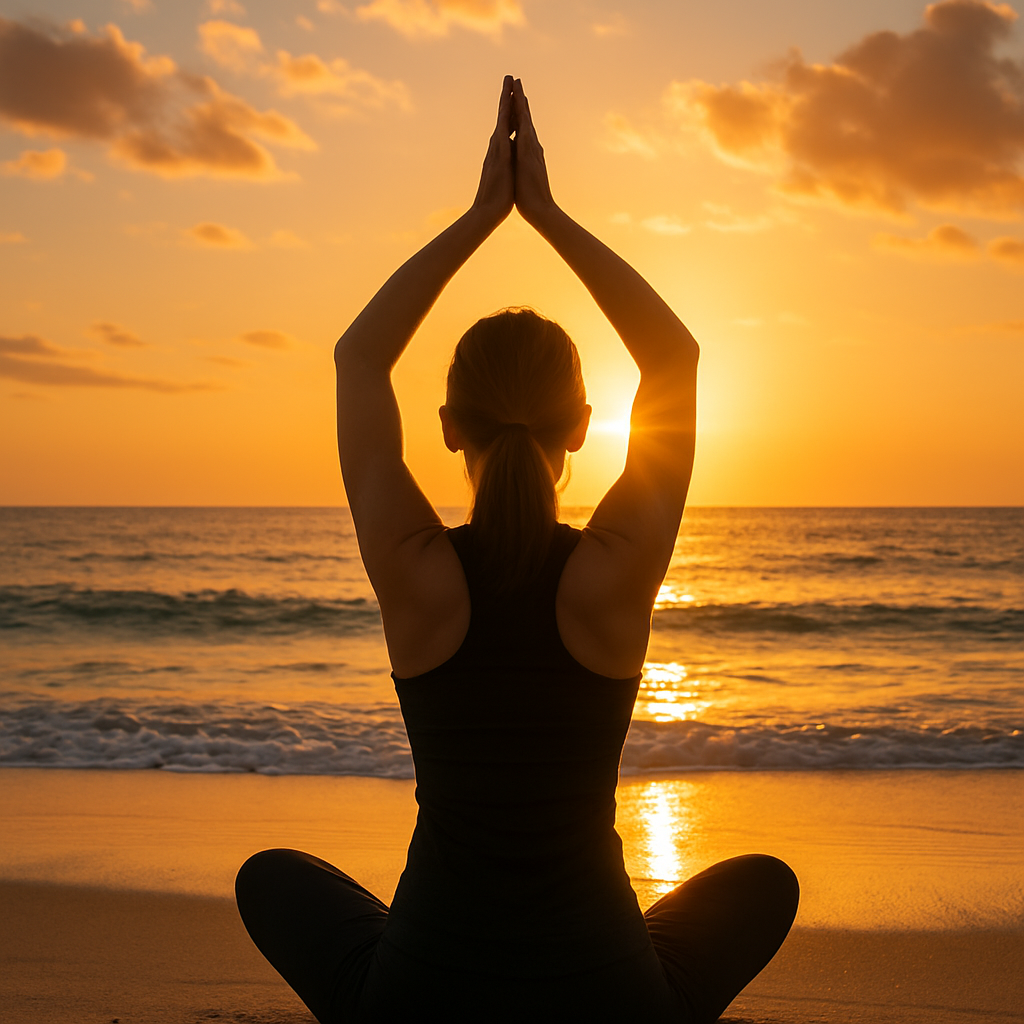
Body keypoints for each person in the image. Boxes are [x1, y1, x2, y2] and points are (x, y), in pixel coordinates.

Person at [235, 76, 798, 1023]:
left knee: (270, 877)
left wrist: (479, 218)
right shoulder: (610, 573)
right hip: (608, 997)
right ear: (581, 426)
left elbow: (358, 359)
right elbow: (674, 359)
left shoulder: (419, 573)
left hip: (420, 997)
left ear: (449, 427)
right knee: (766, 883)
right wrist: (547, 214)